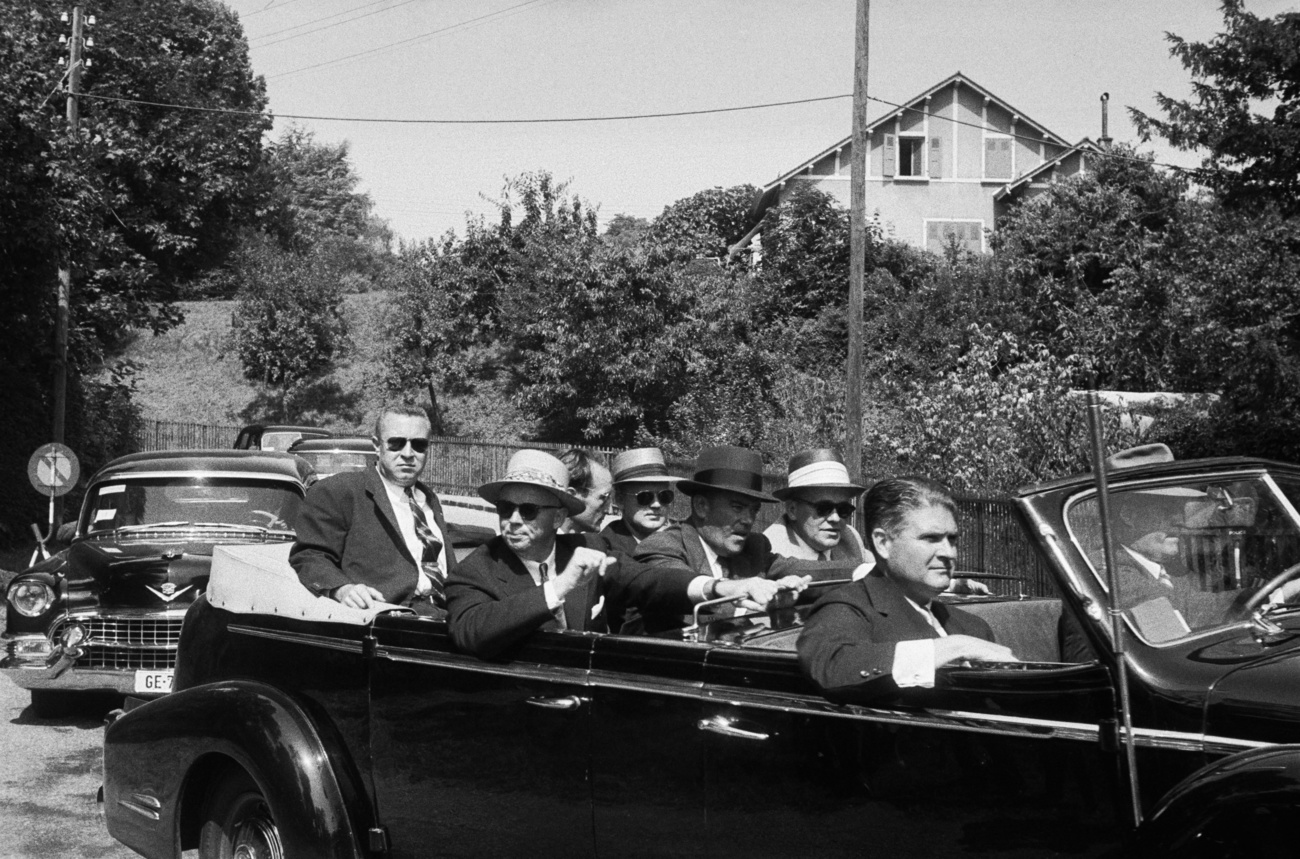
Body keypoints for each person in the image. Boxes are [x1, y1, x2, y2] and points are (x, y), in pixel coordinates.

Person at [447, 449, 795, 658]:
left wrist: (720, 588)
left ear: (558, 516)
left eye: (527, 510)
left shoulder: (590, 547)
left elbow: (647, 580)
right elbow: (469, 632)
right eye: (505, 509)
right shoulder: (477, 568)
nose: (512, 521)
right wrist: (558, 587)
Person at [798, 476, 1017, 701]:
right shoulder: (846, 609)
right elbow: (834, 667)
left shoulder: (973, 627)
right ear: (883, 543)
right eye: (930, 538)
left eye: (952, 539)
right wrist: (953, 647)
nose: (949, 553)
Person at [634, 446, 858, 617]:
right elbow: (674, 583)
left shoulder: (755, 548)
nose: (748, 520)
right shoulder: (663, 546)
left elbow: (803, 570)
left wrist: (874, 569)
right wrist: (732, 590)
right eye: (738, 508)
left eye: (754, 510)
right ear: (701, 506)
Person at [291, 404, 454, 617]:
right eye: (396, 443)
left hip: (449, 616)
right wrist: (342, 589)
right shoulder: (341, 492)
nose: (408, 453)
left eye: (418, 445)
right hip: (391, 620)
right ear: (377, 445)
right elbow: (309, 555)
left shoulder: (429, 499)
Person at [765, 448, 868, 565]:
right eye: (823, 508)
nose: (835, 518)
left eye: (843, 509)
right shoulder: (769, 555)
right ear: (792, 510)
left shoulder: (850, 541)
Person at [600, 447, 680, 556]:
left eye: (664, 496)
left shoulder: (680, 542)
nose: (656, 504)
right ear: (620, 500)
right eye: (645, 497)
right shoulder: (606, 547)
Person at [557, 448, 613, 534]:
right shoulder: (542, 545)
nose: (608, 510)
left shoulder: (593, 544)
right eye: (603, 498)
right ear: (571, 497)